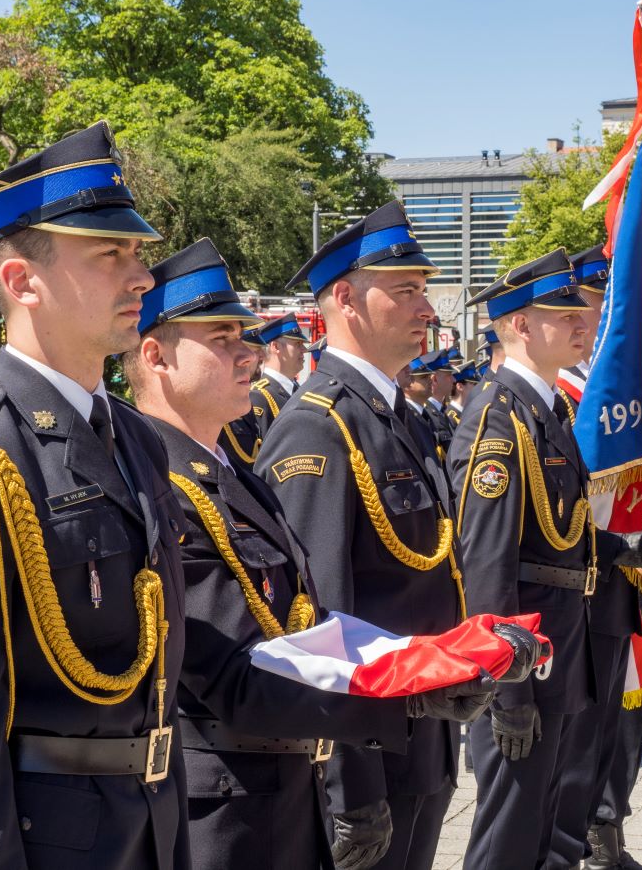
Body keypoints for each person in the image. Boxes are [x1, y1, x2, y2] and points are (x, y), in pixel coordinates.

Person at [122, 238, 499, 870]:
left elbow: (313, 623)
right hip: (226, 804)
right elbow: (235, 669)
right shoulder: (158, 487)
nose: (249, 353)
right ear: (155, 355)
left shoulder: (229, 475)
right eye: (223, 339)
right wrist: (399, 708)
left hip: (288, 782)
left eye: (246, 338)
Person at [0, 121, 192, 870]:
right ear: (22, 282)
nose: (141, 276)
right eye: (111, 254)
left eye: (138, 253)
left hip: (150, 834)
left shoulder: (138, 440)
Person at [254, 200, 468, 870]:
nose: (425, 309)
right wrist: (350, 786)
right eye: (405, 291)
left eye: (423, 291)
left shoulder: (391, 415)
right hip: (370, 753)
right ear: (344, 298)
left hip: (418, 736)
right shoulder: (318, 427)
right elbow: (317, 625)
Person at [448, 248, 642, 870]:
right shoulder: (497, 422)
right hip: (525, 660)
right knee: (509, 834)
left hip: (559, 644)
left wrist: (624, 549)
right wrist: (506, 689)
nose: (583, 323)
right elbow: (488, 564)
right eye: (563, 313)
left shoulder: (547, 411)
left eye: (581, 312)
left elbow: (558, 533)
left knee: (549, 827)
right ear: (520, 325)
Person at [548, 243, 642, 869]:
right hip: (577, 582)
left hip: (622, 574)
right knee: (578, 735)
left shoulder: (617, 388)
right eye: (590, 302)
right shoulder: (558, 397)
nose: (598, 317)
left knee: (619, 725)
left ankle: (608, 836)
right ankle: (574, 842)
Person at [247, 312, 311, 440]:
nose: (304, 350)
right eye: (298, 344)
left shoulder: (299, 391)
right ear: (275, 346)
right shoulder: (259, 396)